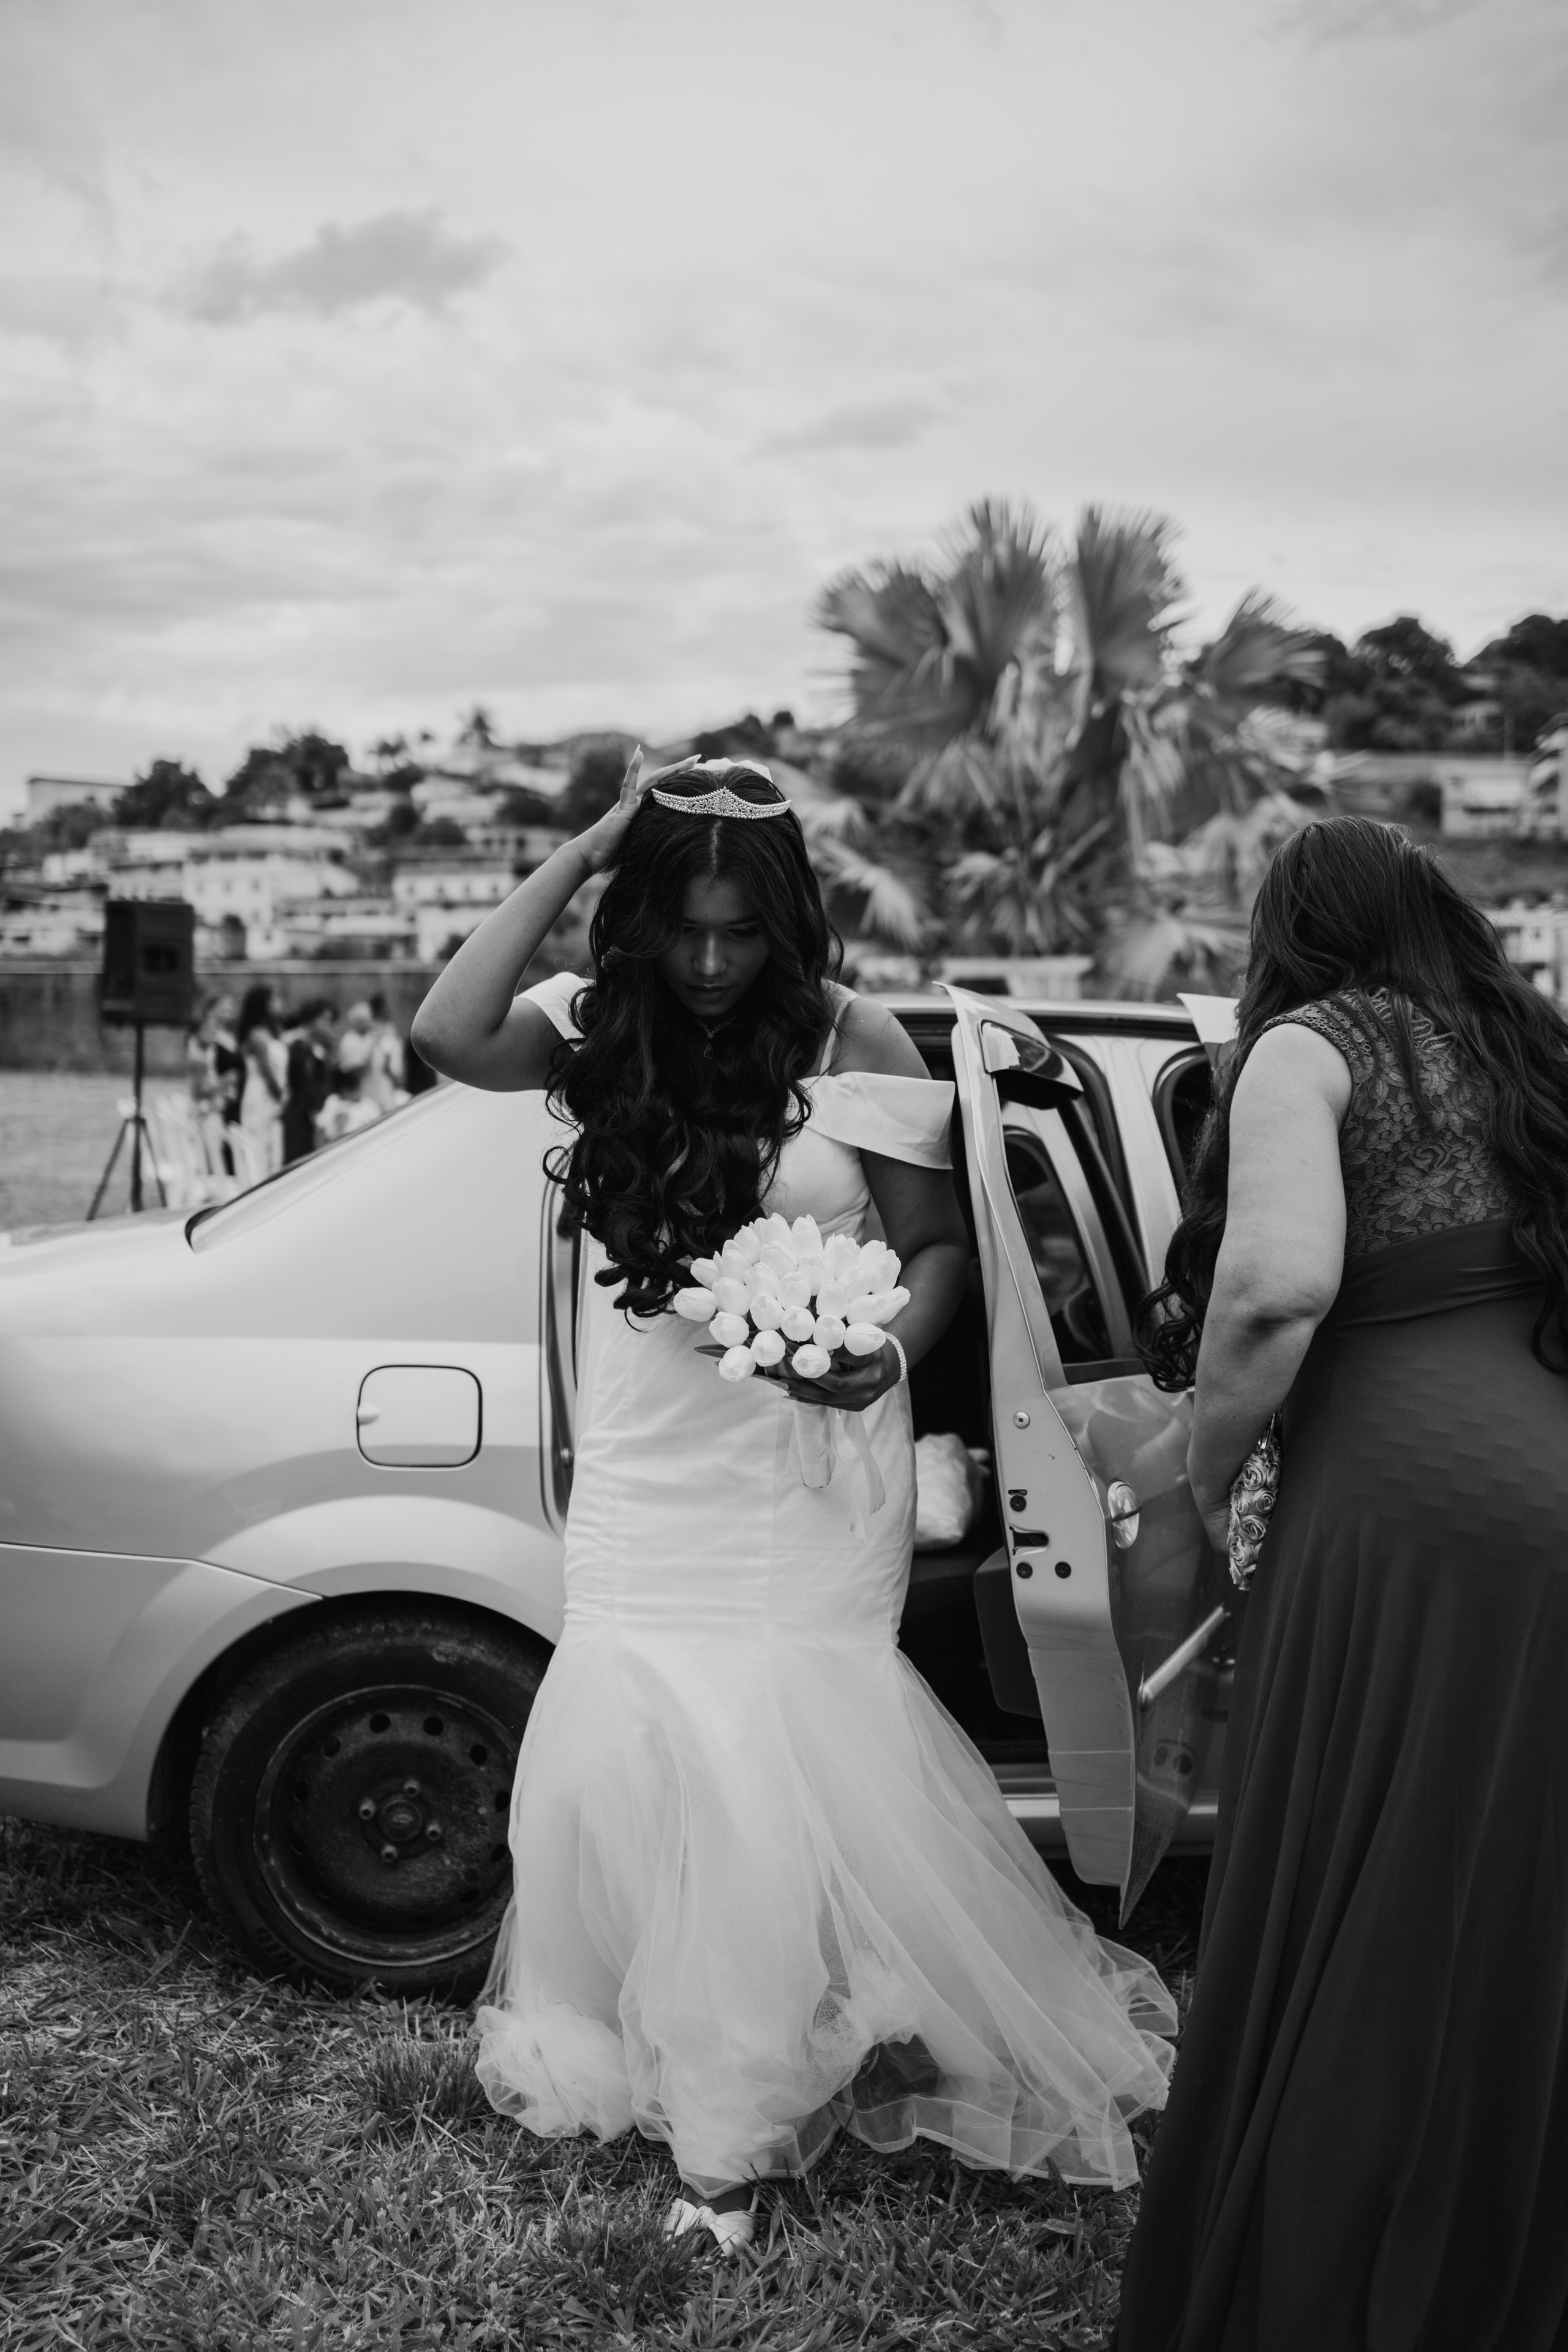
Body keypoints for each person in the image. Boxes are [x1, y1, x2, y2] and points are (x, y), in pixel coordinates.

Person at [411, 752, 1174, 2253]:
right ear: (641, 920)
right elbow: (443, 1029)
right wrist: (581, 850)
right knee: (634, 1743)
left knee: (770, 1751)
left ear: (784, 925)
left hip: (805, 1471)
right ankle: (646, 2036)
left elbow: (940, 1246)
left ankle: (736, 2114)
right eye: (681, 927)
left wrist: (881, 1342)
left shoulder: (854, 1033)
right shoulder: (589, 1030)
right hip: (648, 1463)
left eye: (738, 933)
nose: (707, 963)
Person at [1117, 818, 1568, 2351]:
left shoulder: (1304, 1049)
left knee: (1369, 1888)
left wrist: (1197, 1466)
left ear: (1280, 939)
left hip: (1404, 1507)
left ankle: (1351, 2263)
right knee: (1511, 1896)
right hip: (1544, 1476)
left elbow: (1274, 1287)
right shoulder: (1515, 1051)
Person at [236, 984, 288, 1174]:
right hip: (261, 1095)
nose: (279, 1003)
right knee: (259, 1149)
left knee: (272, 1150)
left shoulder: (273, 1032)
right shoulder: (256, 1036)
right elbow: (266, 1071)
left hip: (272, 1095)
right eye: (274, 1000)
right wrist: (280, 1096)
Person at [187, 992, 243, 1170]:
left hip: (230, 1107)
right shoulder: (202, 1044)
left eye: (231, 1005)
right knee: (213, 1163)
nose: (230, 1010)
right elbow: (198, 1088)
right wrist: (224, 1083)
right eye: (224, 1005)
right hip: (211, 1111)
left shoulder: (229, 1036)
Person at [281, 999, 339, 1164]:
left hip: (316, 1113)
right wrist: (316, 1118)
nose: (328, 1025)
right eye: (324, 1019)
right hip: (302, 1117)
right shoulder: (299, 1048)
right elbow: (305, 1086)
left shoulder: (318, 1048)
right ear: (312, 1019)